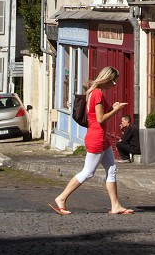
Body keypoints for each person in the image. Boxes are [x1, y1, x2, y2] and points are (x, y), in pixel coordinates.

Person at [51, 66, 133, 215]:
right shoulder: (98, 94)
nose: (114, 84)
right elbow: (100, 119)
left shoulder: (92, 93)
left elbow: (97, 116)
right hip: (97, 137)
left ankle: (116, 206)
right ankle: (61, 198)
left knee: (112, 170)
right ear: (107, 79)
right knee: (88, 172)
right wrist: (116, 110)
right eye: (113, 81)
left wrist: (111, 108)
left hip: (100, 136)